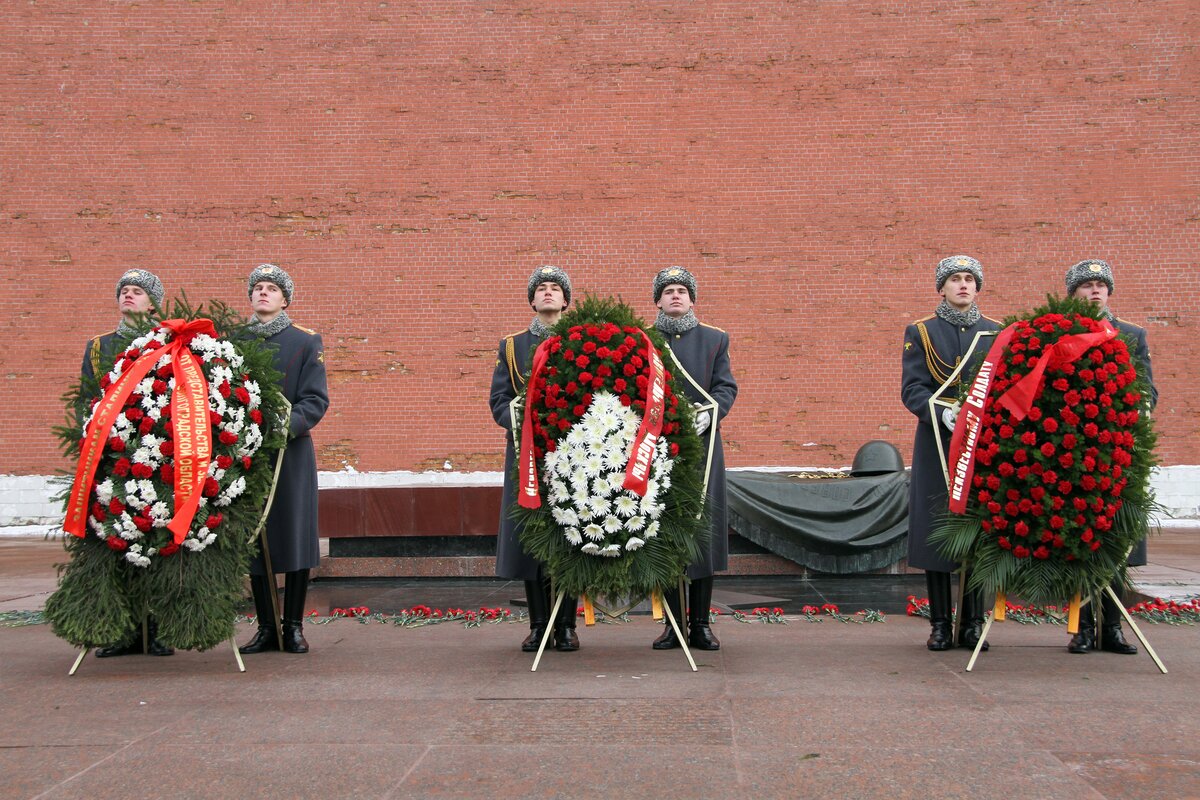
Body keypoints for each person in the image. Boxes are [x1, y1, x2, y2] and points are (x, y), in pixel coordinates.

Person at [901, 256, 1000, 651]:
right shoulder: (922, 331)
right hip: (937, 443)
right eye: (955, 280)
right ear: (941, 288)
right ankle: (940, 623)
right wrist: (944, 413)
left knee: (978, 531)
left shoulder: (996, 333)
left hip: (984, 446)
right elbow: (913, 389)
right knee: (938, 533)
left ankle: (973, 622)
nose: (963, 285)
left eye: (969, 280)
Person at [1064, 258, 1157, 655]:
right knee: (1083, 535)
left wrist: (1134, 411)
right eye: (1087, 285)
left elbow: (1148, 391)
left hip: (1120, 450)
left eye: (1102, 284)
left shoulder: (1132, 335)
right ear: (1074, 294)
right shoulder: (1062, 334)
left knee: (1116, 536)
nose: (1096, 290)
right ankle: (1082, 628)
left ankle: (1113, 627)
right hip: (1078, 453)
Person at [239, 264, 329, 655]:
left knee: (293, 536)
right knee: (254, 540)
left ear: (285, 299)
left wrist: (282, 427)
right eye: (257, 287)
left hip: (289, 452)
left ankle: (292, 626)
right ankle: (265, 628)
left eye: (272, 288)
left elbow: (315, 400)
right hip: (243, 454)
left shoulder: (305, 342)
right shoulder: (232, 342)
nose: (263, 293)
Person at [84, 269, 175, 658]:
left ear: (152, 302)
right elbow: (85, 398)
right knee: (116, 542)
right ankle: (124, 632)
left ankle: (154, 630)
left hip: (155, 460)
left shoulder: (167, 344)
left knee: (152, 541)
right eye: (124, 291)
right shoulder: (99, 346)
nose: (129, 296)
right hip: (110, 460)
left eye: (137, 292)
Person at [490, 266, 580, 652]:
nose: (547, 293)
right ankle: (539, 624)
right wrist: (519, 416)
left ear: (565, 301)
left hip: (573, 454)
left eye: (555, 289)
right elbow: (498, 400)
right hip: (525, 454)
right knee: (531, 538)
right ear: (532, 300)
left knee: (571, 534)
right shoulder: (513, 346)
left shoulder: (580, 342)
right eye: (541, 288)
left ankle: (567, 626)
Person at [649, 267, 738, 651]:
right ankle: (672, 625)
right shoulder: (644, 340)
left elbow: (726, 387)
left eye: (682, 290)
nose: (675, 296)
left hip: (702, 448)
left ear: (692, 298)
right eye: (667, 291)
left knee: (701, 533)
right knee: (665, 531)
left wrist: (710, 411)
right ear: (658, 299)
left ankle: (700, 624)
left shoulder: (715, 339)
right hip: (656, 448)